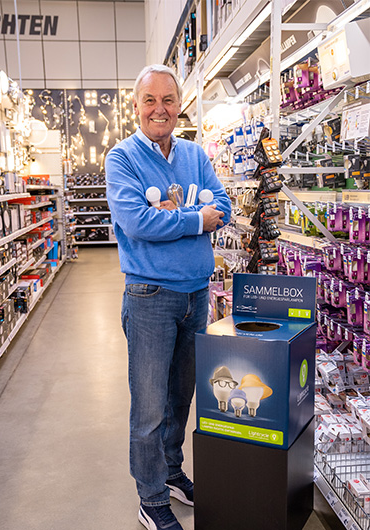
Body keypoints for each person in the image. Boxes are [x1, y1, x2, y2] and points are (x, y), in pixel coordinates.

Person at [104, 64, 232, 530]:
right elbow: (138, 222)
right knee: (150, 407)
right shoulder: (121, 159)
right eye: (150, 101)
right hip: (150, 297)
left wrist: (176, 213)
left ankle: (172, 471)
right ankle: (151, 496)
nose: (160, 109)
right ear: (136, 106)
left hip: (197, 296)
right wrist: (197, 219)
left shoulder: (195, 154)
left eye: (169, 100)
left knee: (182, 398)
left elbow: (227, 206)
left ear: (180, 104)